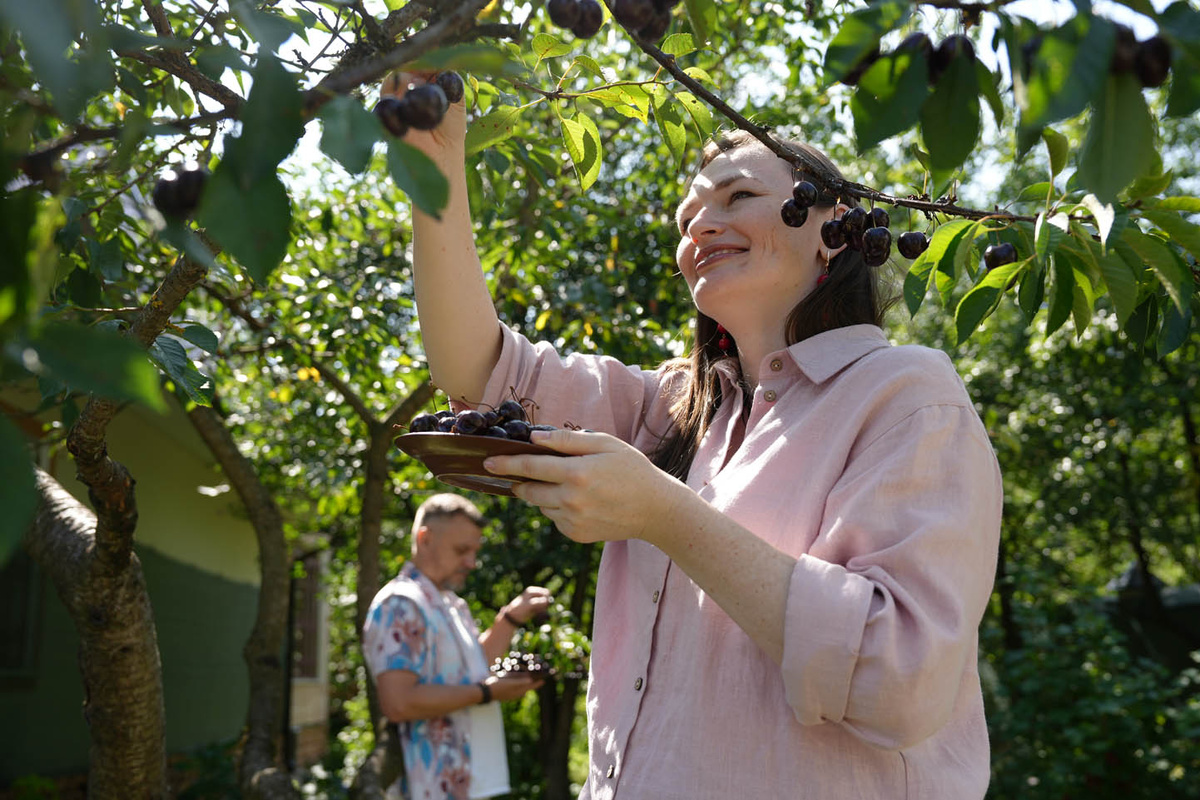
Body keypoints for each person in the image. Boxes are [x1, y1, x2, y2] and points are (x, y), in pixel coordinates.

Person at [392, 71, 1003, 800]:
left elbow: (899, 679)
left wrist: (664, 515)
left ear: (834, 226)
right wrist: (437, 168)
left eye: (738, 196)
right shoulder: (675, 410)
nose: (699, 228)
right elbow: (479, 371)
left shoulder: (906, 396)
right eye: (686, 219)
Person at [362, 493, 552, 800]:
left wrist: (512, 617)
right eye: (462, 550)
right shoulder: (400, 603)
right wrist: (489, 692)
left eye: (474, 551)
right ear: (424, 539)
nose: (471, 563)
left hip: (465, 785)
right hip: (430, 790)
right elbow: (397, 702)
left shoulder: (451, 603)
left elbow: (475, 667)